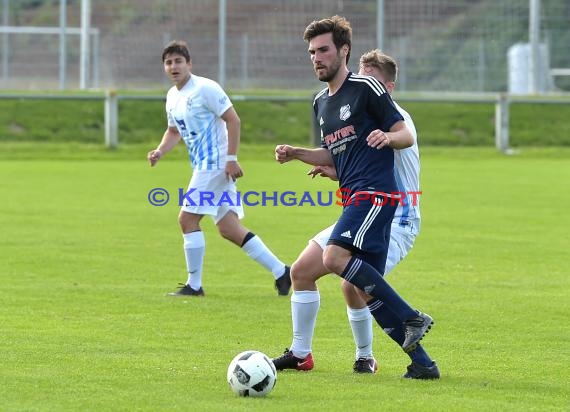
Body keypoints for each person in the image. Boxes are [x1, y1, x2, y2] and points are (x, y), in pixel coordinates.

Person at [272, 16, 434, 375]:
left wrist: (387, 137)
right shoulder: (327, 103)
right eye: (312, 52)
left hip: (393, 210)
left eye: (323, 50)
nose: (316, 57)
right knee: (304, 271)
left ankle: (400, 328)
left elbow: (396, 140)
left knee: (349, 278)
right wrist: (307, 157)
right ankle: (304, 353)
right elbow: (346, 155)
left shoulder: (383, 108)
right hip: (359, 203)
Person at [147, 40, 291, 297]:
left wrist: (231, 158)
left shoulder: (206, 88)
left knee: (187, 218)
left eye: (179, 61)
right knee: (228, 229)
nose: (174, 66)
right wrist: (160, 151)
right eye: (168, 62)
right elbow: (172, 131)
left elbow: (233, 119)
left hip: (214, 165)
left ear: (189, 64)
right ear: (164, 68)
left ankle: (194, 285)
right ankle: (282, 271)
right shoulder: (172, 96)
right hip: (206, 167)